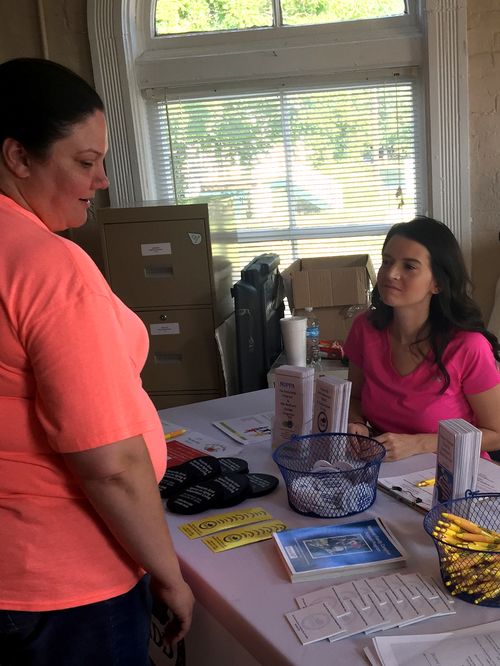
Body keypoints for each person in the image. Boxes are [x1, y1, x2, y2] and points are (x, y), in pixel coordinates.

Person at [0, 58, 194, 665]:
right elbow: (110, 464)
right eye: (85, 162)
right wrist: (168, 574)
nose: (102, 179)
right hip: (63, 585)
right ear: (19, 156)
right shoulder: (46, 266)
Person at [344, 216, 500, 461]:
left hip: (456, 472)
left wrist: (420, 443)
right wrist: (356, 424)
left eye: (409, 266)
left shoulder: (469, 346)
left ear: (437, 283)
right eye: (387, 261)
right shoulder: (364, 328)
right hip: (384, 468)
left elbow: (496, 434)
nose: (391, 273)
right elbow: (354, 398)